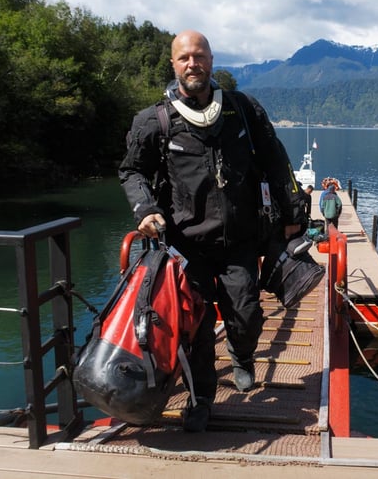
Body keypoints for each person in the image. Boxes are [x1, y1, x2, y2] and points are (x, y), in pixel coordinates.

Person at [118, 30, 305, 432]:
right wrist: (145, 209)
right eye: (184, 58)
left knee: (247, 315)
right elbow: (131, 171)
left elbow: (275, 159)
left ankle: (241, 354)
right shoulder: (156, 120)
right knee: (197, 329)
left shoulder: (241, 109)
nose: (192, 64)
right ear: (173, 64)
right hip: (186, 247)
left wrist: (293, 214)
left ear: (211, 60)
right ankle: (201, 399)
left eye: (199, 56)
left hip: (239, 241)